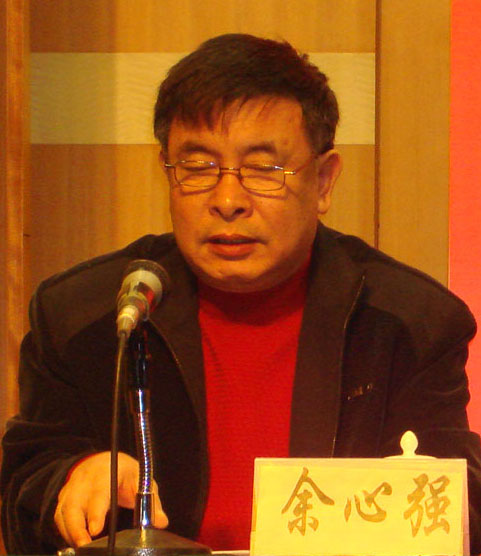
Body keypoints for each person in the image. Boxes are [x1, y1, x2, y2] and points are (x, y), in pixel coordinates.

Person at [1, 33, 481, 555]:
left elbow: (463, 510)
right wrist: (70, 478)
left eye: (263, 169)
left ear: (323, 181)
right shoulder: (89, 316)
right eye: (198, 167)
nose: (228, 200)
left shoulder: (410, 324)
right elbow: (22, 491)